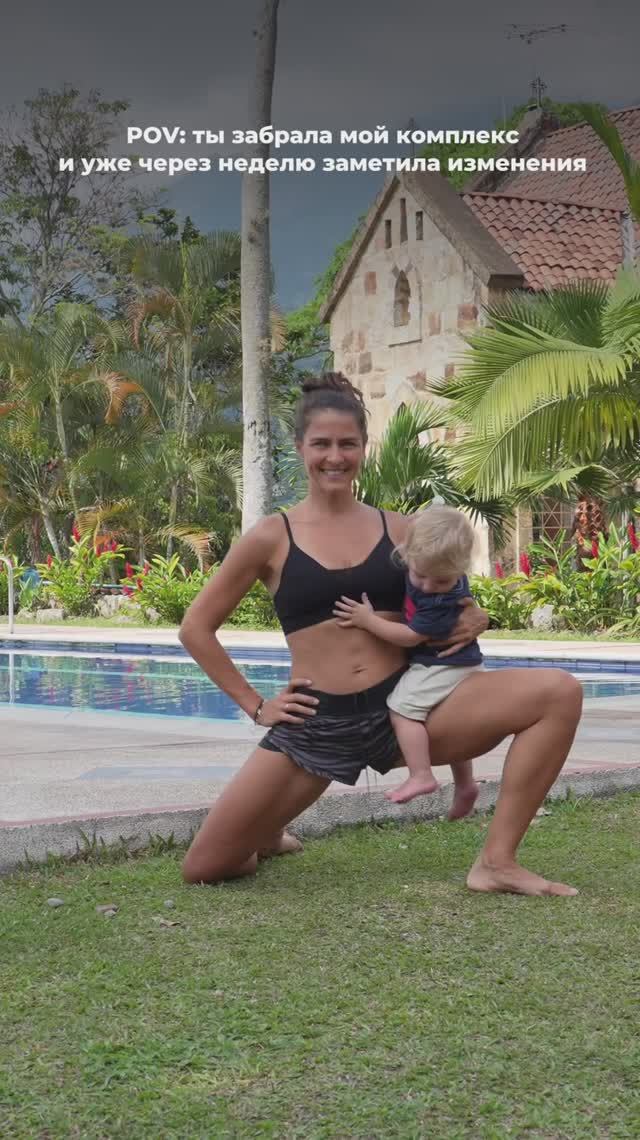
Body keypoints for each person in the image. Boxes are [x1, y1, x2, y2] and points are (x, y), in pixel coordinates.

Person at [179, 372, 582, 897]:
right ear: (300, 447)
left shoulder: (403, 529)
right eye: (321, 444)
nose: (335, 456)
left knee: (559, 693)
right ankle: (269, 833)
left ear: (364, 448)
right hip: (319, 723)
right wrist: (256, 706)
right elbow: (196, 629)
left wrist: (477, 615)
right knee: (207, 867)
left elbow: (453, 593)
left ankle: (496, 862)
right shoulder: (271, 537)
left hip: (407, 710)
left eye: (348, 444)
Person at [333, 505, 484, 806]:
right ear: (407, 553)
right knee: (453, 727)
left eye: (441, 580)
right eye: (420, 575)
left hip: (443, 665)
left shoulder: (441, 600)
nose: (428, 586)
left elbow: (410, 636)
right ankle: (466, 784)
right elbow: (417, 525)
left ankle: (421, 774)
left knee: (402, 709)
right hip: (456, 661)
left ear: (460, 570)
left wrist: (368, 620)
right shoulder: (433, 562)